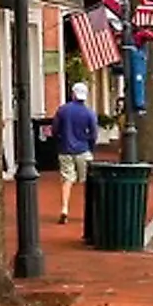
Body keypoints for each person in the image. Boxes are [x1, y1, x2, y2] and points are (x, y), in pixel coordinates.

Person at [52, 82, 100, 223]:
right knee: (87, 182)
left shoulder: (62, 110)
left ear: (73, 94)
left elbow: (55, 130)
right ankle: (88, 213)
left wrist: (59, 140)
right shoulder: (89, 113)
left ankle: (65, 209)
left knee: (67, 180)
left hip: (65, 149)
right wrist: (90, 147)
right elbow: (94, 134)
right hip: (83, 150)